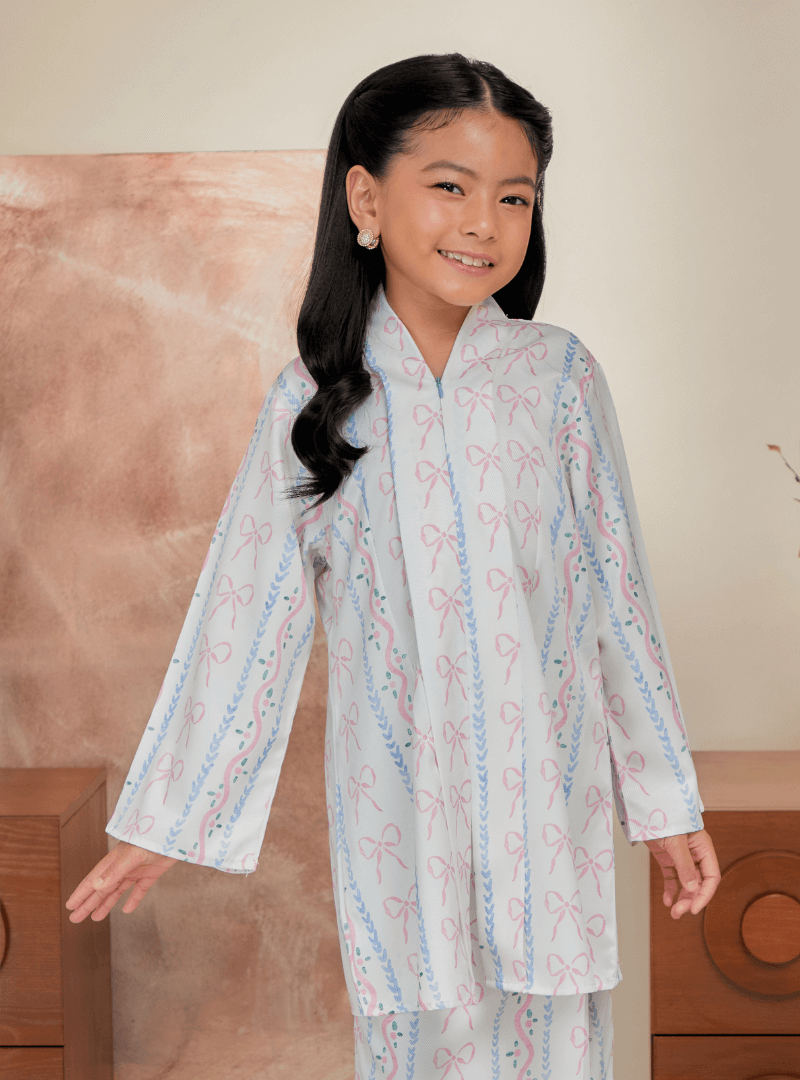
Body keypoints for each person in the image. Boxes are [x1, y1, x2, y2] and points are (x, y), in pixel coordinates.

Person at [66, 52, 720, 1078]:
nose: (483, 222)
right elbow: (248, 615)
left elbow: (618, 603)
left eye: (514, 197)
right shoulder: (314, 401)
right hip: (402, 817)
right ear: (366, 199)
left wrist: (665, 801)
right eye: (450, 187)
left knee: (557, 1048)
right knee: (420, 1042)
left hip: (548, 812)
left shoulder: (557, 380)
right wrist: (167, 820)